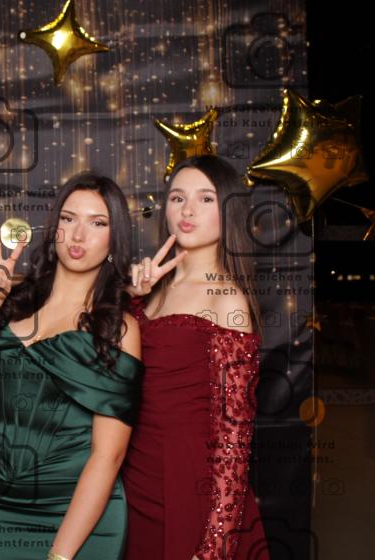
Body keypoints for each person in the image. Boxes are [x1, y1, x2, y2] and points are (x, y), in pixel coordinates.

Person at [0, 173, 144, 560]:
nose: (78, 235)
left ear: (114, 238)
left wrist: (60, 556)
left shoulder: (117, 328)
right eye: (68, 219)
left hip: (77, 516)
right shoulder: (14, 301)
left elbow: (108, 456)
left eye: (97, 223)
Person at [121, 155, 267, 560]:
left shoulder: (228, 299)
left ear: (229, 210)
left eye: (205, 199)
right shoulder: (152, 287)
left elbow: (234, 436)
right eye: (177, 198)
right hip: (135, 468)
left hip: (192, 478)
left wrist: (216, 542)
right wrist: (131, 298)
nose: (187, 211)